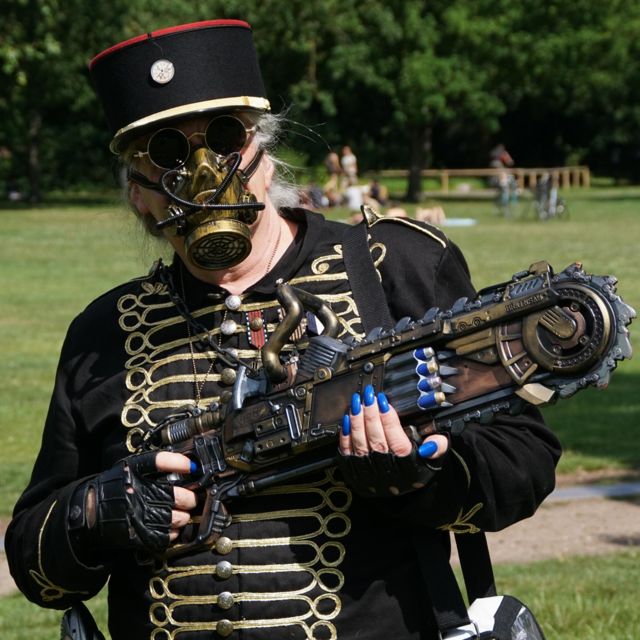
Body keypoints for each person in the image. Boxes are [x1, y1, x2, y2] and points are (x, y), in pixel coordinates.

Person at [6, 20, 560, 640]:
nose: (204, 174)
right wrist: (92, 512)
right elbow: (35, 566)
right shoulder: (103, 332)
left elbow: (525, 461)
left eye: (225, 138)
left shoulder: (394, 267)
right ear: (138, 193)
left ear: (265, 158)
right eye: (166, 153)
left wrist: (420, 478)